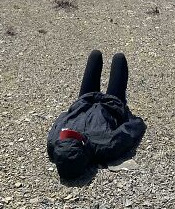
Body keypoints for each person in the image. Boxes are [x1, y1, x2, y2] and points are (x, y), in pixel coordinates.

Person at [47, 50, 146, 180]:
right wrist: (132, 118)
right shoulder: (105, 146)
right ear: (84, 151)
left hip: (84, 102)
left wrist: (73, 111)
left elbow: (61, 118)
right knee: (119, 58)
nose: (72, 135)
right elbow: (129, 131)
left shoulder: (55, 142)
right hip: (111, 104)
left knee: (95, 55)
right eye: (77, 139)